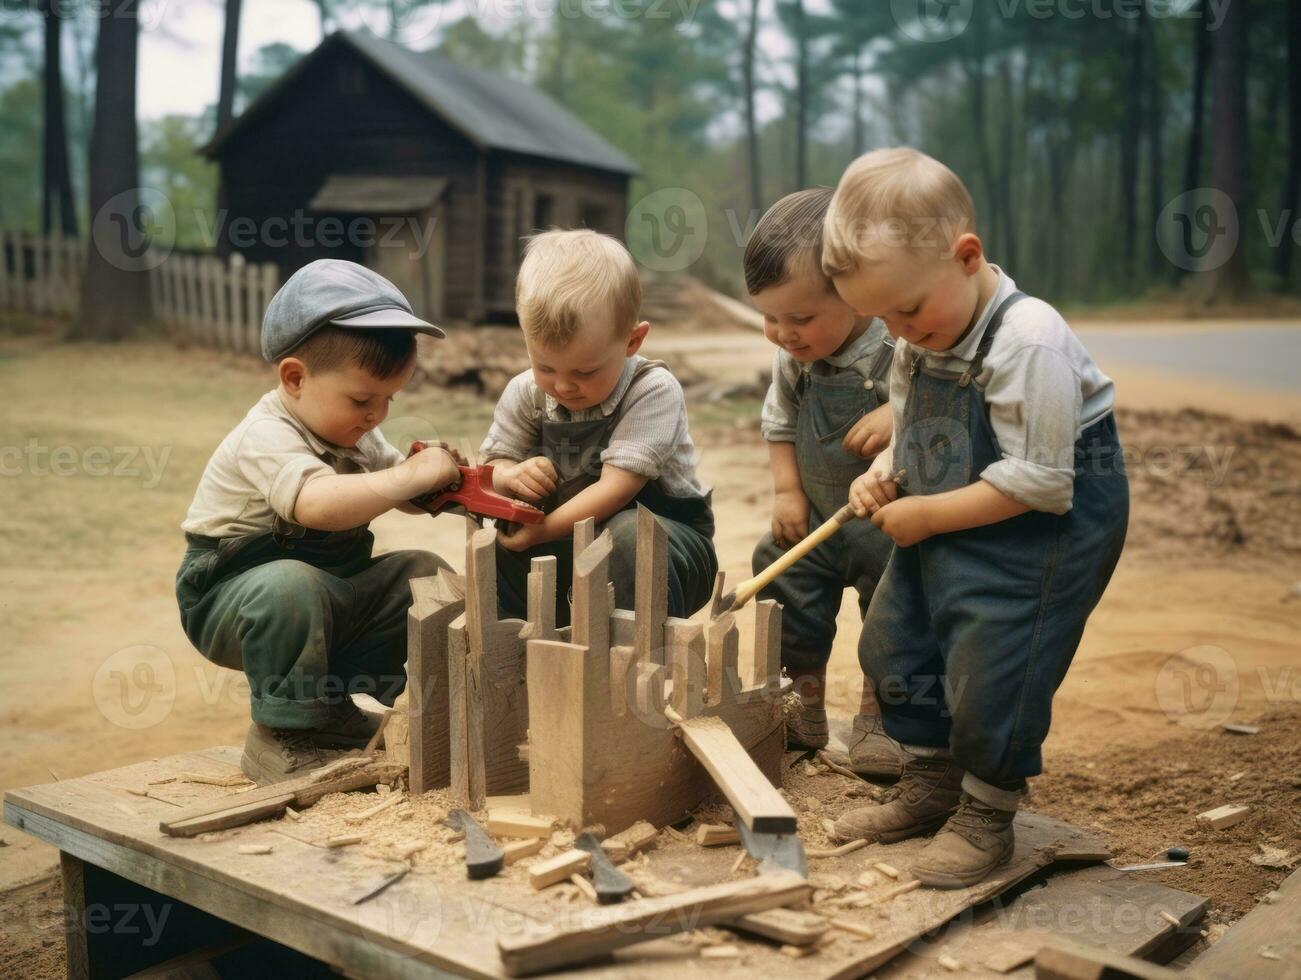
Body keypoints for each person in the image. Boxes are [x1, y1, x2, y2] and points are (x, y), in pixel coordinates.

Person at [824, 148, 1129, 887]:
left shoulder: (1028, 343)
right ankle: (930, 781)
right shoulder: (919, 334)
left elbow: (1043, 481)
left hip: (1043, 522)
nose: (897, 332)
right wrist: (881, 474)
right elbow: (908, 418)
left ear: (966, 257)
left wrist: (926, 516)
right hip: (954, 501)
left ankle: (988, 812)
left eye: (907, 309)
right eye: (879, 319)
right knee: (897, 639)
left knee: (996, 664)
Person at [176, 259, 461, 785]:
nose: (376, 415)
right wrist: (412, 475)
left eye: (387, 400)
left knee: (425, 575)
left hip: (329, 593)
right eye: (361, 399)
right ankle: (280, 734)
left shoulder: (355, 434)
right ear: (295, 377)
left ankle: (374, 711)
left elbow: (405, 491)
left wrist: (460, 484)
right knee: (291, 586)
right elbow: (318, 505)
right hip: (229, 602)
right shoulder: (265, 435)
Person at [744, 188, 907, 776]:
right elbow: (779, 422)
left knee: (894, 612)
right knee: (782, 585)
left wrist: (898, 414)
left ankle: (879, 716)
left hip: (887, 518)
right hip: (816, 513)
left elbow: (942, 411)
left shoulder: (900, 347)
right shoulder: (795, 357)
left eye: (800, 318)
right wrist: (788, 492)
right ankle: (803, 704)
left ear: (858, 293)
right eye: (769, 318)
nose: (783, 334)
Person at [480, 229, 717, 626]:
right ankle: (517, 664)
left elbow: (616, 487)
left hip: (667, 549)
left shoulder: (651, 390)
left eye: (585, 371)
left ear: (632, 340)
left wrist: (543, 531)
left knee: (626, 536)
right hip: (564, 544)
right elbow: (494, 463)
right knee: (498, 542)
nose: (563, 385)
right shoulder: (526, 392)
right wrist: (510, 474)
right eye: (545, 367)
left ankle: (635, 672)